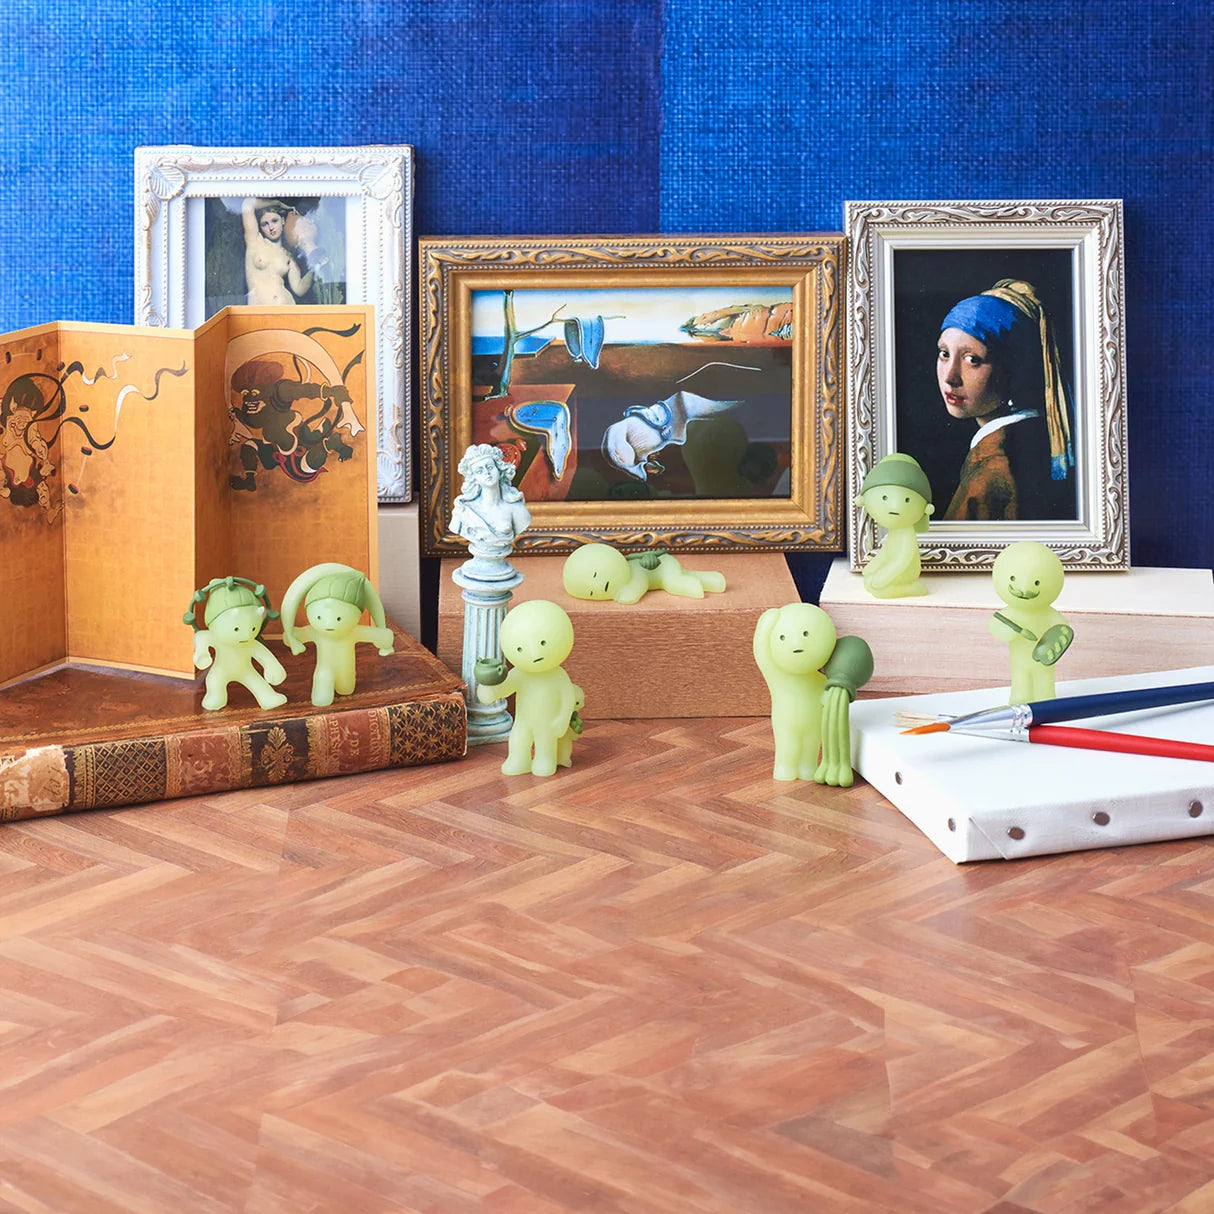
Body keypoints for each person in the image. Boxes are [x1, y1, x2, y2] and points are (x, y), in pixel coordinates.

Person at [935, 278, 1075, 521]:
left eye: (973, 360)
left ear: (1015, 368)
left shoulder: (994, 470)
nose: (950, 377)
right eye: (944, 354)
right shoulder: (1031, 438)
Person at [242, 198, 314, 305]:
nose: (271, 227)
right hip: (260, 309)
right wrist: (279, 203)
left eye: (274, 221)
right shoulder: (255, 241)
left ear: (283, 221)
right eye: (265, 224)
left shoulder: (287, 255)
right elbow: (247, 204)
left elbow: (299, 289)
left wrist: (314, 266)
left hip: (287, 307)